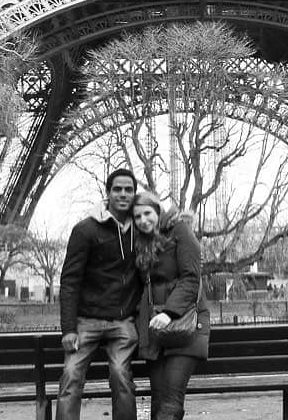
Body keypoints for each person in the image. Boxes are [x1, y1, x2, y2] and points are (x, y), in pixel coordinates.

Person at [57, 168, 141, 420]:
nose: (123, 194)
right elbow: (70, 280)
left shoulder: (142, 229)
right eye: (118, 189)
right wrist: (68, 329)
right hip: (87, 321)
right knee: (71, 375)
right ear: (107, 193)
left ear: (135, 194)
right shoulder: (85, 230)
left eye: (129, 189)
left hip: (122, 321)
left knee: (120, 374)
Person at [132, 190, 210, 420]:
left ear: (158, 211)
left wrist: (169, 312)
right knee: (159, 397)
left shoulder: (180, 231)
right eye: (137, 217)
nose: (143, 220)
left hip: (185, 324)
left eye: (147, 213)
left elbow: (191, 278)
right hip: (156, 327)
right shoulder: (141, 242)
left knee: (171, 399)